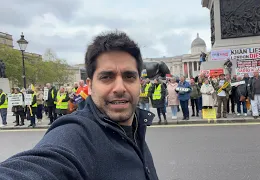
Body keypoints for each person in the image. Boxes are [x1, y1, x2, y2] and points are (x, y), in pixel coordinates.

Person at [0, 31, 159, 179]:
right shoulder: (75, 135)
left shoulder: (137, 124)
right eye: (107, 77)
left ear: (140, 82)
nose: (119, 88)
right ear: (89, 86)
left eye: (129, 76)